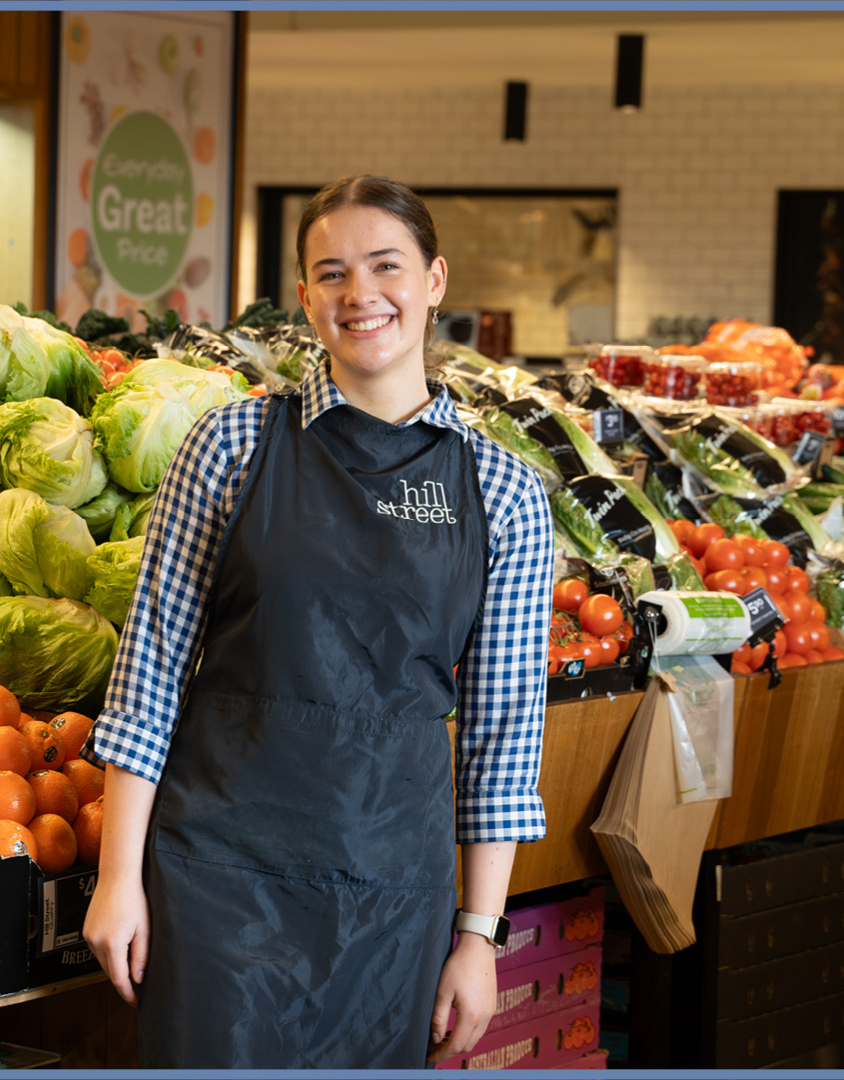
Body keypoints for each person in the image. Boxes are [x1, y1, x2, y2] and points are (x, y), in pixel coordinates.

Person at [81, 174, 554, 1070]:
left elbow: (503, 743)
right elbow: (148, 677)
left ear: (435, 279)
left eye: (386, 266)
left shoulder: (503, 493)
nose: (360, 294)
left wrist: (479, 940)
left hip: (390, 889)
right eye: (330, 273)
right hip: (216, 875)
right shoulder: (231, 445)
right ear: (304, 297)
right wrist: (118, 881)